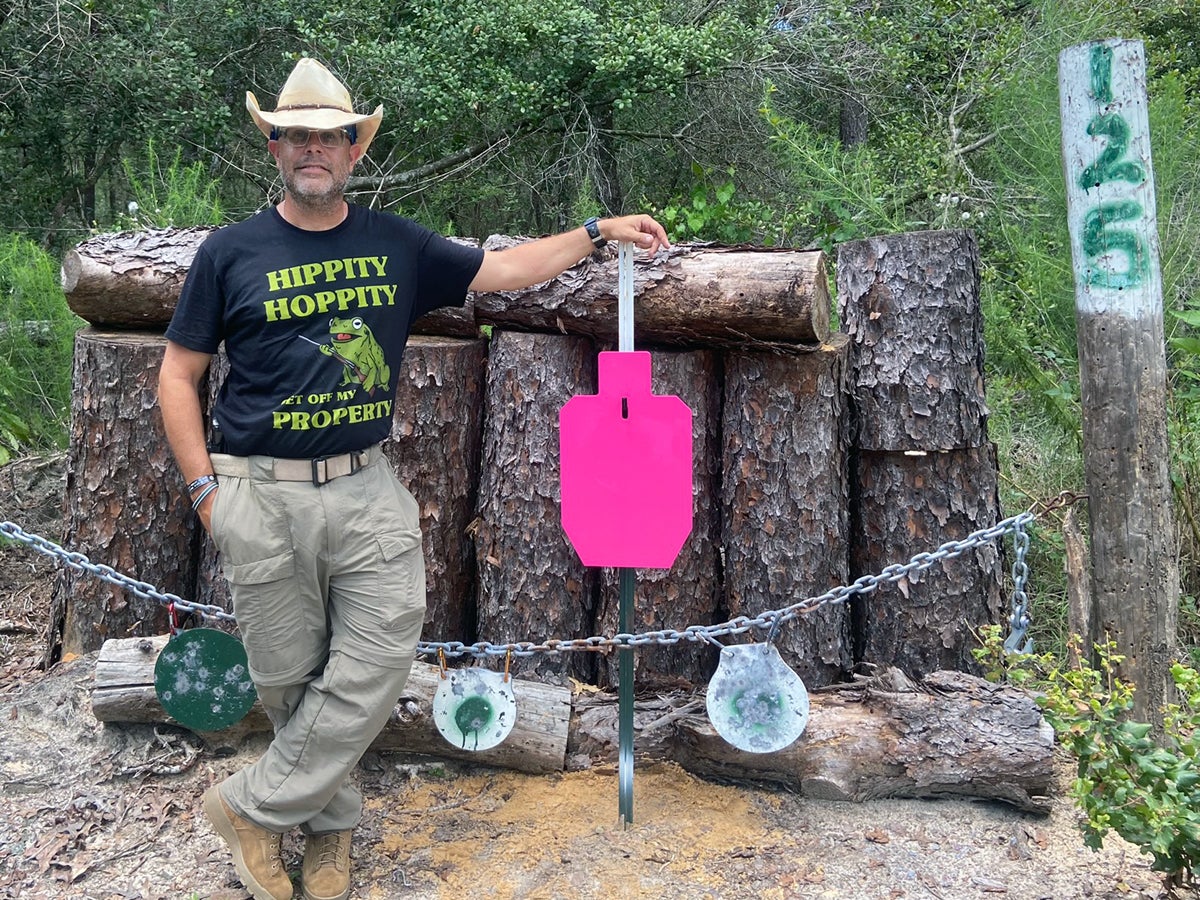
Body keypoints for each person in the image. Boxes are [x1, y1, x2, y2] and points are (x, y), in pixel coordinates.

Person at [157, 57, 669, 900]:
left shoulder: (396, 244)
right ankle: (327, 835)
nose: (312, 149)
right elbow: (178, 377)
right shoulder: (229, 252)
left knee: (380, 655)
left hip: (364, 488)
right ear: (276, 148)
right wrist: (207, 494)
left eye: (330, 136)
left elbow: (504, 271)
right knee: (289, 677)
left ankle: (250, 807)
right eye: (296, 136)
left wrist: (595, 230)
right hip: (259, 491)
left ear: (355, 151)